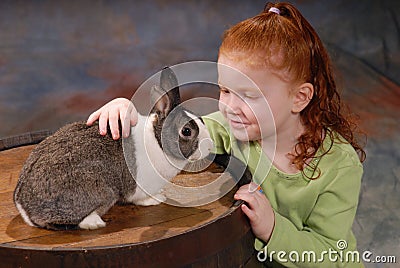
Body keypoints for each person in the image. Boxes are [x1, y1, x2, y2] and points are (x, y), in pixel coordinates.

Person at [87, 2, 366, 267]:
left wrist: (273, 228)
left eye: (249, 96)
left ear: (299, 98)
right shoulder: (228, 127)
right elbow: (177, 135)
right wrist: (131, 114)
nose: (229, 107)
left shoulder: (338, 165)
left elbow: (330, 254)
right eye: (225, 90)